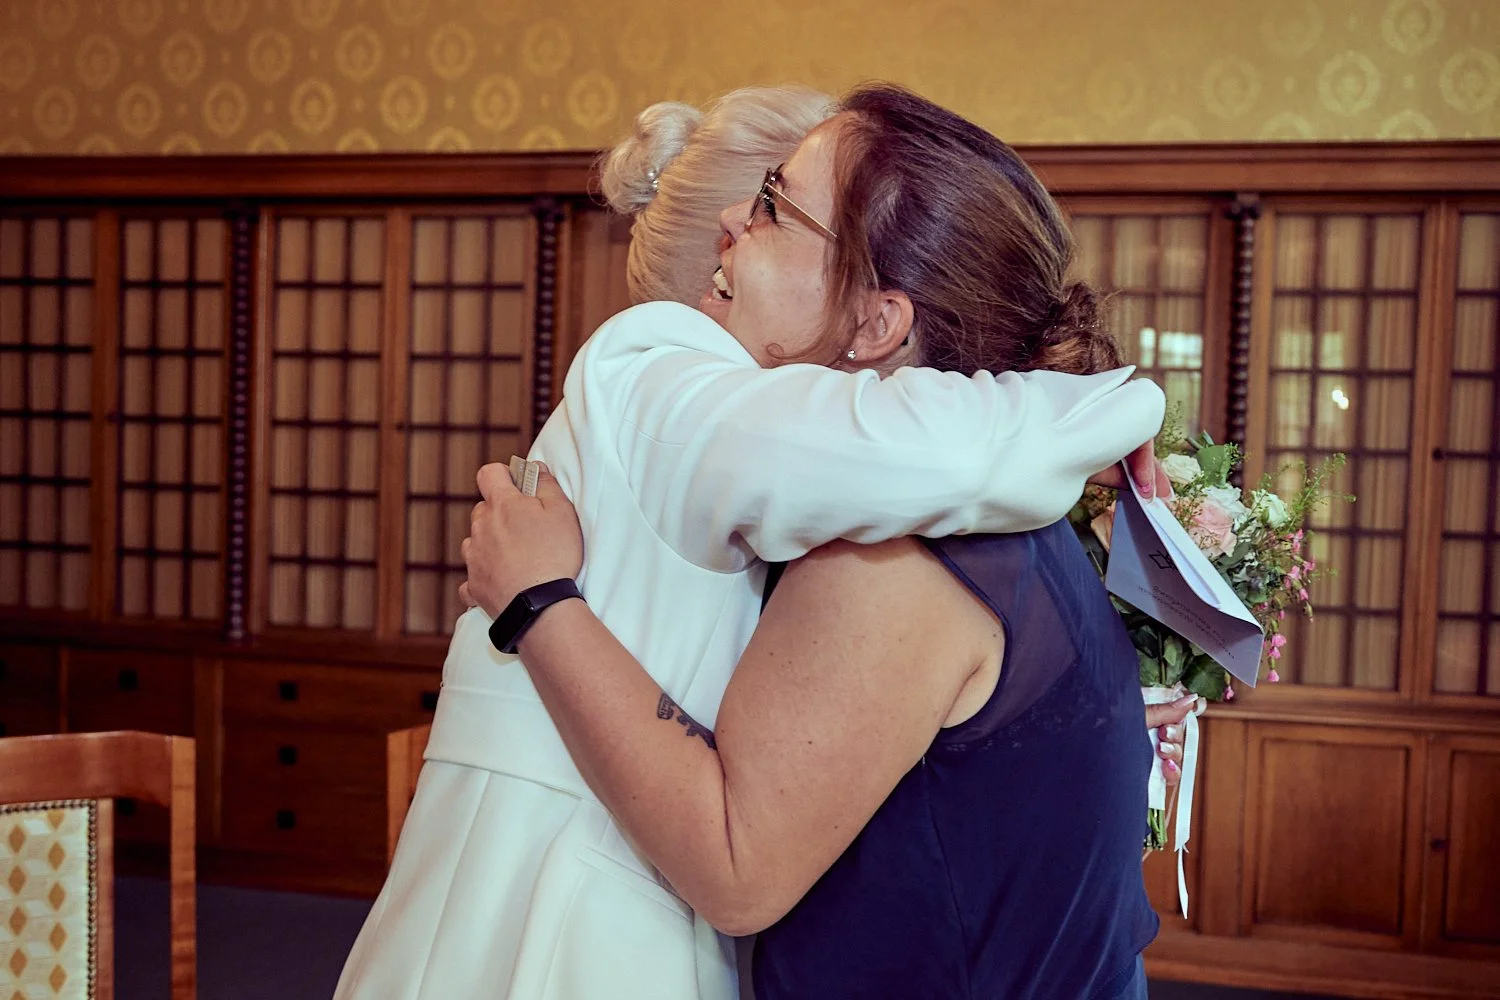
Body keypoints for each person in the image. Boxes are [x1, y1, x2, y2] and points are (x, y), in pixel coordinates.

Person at [334, 86, 1179, 1000]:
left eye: (776, 206)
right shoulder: (907, 496)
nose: (737, 223)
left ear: (876, 321)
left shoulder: (897, 546)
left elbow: (740, 862)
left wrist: (539, 601)